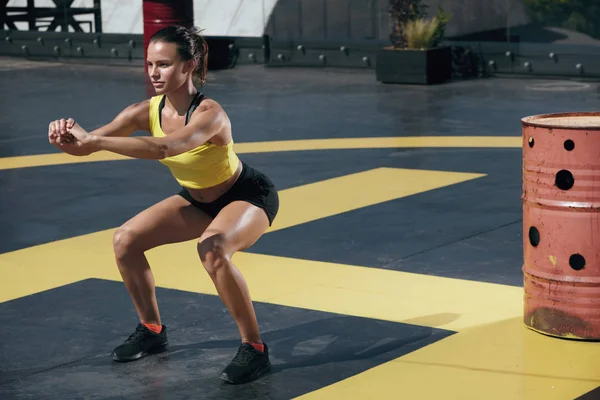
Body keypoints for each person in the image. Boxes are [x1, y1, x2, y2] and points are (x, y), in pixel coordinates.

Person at [46, 25, 279, 385]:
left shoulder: (210, 113)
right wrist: (67, 137)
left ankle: (255, 348)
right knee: (125, 240)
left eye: (164, 64)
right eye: (150, 63)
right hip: (197, 198)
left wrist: (94, 140)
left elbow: (165, 148)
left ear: (189, 66)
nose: (154, 72)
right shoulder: (143, 111)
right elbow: (88, 143)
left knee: (213, 249)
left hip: (246, 194)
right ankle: (151, 329)